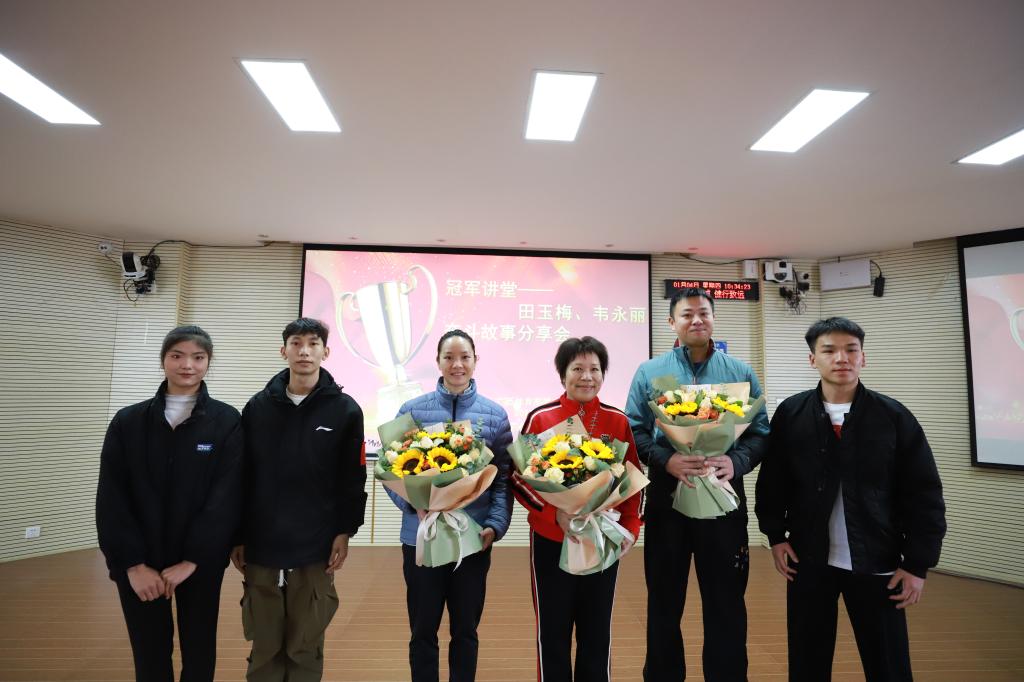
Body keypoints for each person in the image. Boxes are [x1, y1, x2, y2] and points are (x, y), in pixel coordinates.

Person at [755, 317, 946, 681]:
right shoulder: (792, 414)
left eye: (851, 350)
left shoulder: (893, 416)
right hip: (808, 559)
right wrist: (776, 535)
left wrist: (917, 564)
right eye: (829, 350)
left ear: (863, 358)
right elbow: (773, 482)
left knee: (888, 665)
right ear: (812, 359)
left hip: (878, 559)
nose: (841, 358)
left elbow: (924, 494)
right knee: (807, 662)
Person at [625, 287, 769, 682]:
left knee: (726, 602)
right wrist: (666, 458)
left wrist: (736, 461)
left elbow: (761, 433)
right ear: (672, 322)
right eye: (687, 314)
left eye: (703, 313)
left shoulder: (739, 372)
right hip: (668, 500)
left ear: (714, 318)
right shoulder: (650, 372)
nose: (696, 320)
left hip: (723, 498)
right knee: (664, 601)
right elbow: (633, 431)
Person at [96, 325, 243, 682]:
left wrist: (193, 559)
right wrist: (133, 565)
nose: (187, 365)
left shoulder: (227, 421)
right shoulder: (128, 421)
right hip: (140, 561)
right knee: (149, 654)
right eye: (177, 356)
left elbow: (226, 498)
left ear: (208, 362)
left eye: (198, 357)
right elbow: (112, 498)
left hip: (199, 563)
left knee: (199, 651)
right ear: (163, 360)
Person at [231, 318, 367, 682]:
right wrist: (238, 535)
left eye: (312, 343)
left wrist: (345, 531)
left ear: (326, 351)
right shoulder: (257, 408)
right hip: (262, 541)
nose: (304, 351)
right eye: (296, 343)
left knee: (305, 642)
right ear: (284, 351)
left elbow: (352, 479)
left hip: (316, 543)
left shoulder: (346, 410)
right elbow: (242, 476)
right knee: (264, 642)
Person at [510, 336, 643, 682]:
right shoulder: (541, 418)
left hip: (602, 538)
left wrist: (630, 528)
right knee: (552, 631)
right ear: (563, 374)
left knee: (596, 632)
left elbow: (633, 479)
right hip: (552, 539)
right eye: (577, 369)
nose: (587, 377)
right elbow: (519, 479)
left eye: (594, 369)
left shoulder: (617, 420)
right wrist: (554, 514)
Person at [385, 329, 513, 682]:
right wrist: (413, 504)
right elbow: (391, 471)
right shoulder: (410, 410)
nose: (457, 365)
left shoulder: (495, 415)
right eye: (449, 357)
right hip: (420, 537)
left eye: (465, 357)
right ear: (438, 362)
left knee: (465, 630)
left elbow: (503, 478)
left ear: (475, 360)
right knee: (422, 629)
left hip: (472, 539)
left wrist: (495, 525)